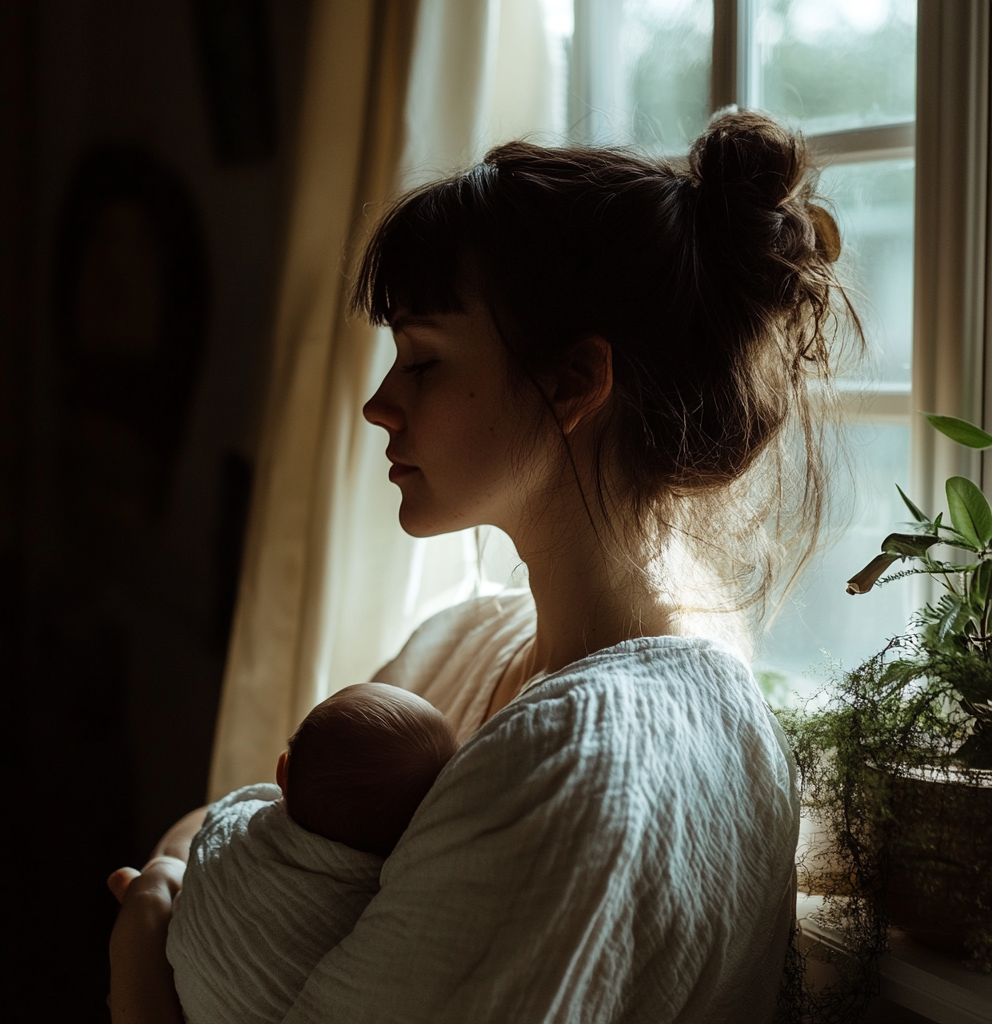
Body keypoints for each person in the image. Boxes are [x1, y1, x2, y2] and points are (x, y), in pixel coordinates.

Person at [108, 110, 858, 1023]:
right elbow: (262, 822)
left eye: (422, 361)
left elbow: (209, 858)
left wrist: (143, 966)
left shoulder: (593, 758)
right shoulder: (468, 643)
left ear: (575, 383)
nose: (380, 405)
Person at [164, 684, 458, 1024]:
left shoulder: (239, 828)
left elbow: (213, 819)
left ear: (282, 772)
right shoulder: (375, 907)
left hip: (180, 984)